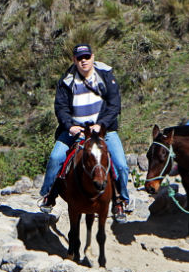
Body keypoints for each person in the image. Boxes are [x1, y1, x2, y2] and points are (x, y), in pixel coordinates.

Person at [39, 44, 132, 221]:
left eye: (87, 57)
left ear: (93, 57)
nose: (84, 61)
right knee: (56, 158)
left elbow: (114, 104)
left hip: (104, 131)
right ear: (74, 60)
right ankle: (48, 195)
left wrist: (102, 124)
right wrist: (69, 126)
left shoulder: (106, 76)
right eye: (80, 58)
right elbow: (61, 107)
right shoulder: (66, 81)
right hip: (76, 130)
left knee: (120, 164)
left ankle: (120, 201)